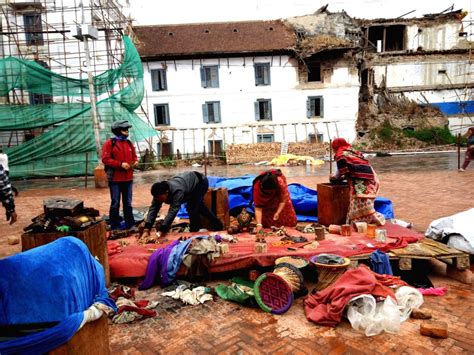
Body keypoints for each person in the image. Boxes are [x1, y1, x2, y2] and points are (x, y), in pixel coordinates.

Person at [141, 171, 223, 239]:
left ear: (166, 192)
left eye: (159, 198)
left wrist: (161, 231)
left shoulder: (177, 191)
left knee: (192, 207)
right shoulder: (158, 194)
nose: (158, 200)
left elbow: (173, 211)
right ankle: (218, 224)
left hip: (200, 182)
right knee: (200, 207)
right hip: (188, 184)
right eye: (156, 198)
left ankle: (194, 232)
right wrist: (146, 229)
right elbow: (153, 209)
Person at [331, 138, 385, 226]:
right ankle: (362, 223)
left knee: (360, 203)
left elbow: (341, 173)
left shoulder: (340, 154)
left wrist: (333, 177)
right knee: (364, 203)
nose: (333, 150)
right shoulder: (353, 151)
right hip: (371, 177)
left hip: (362, 180)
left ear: (335, 147)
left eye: (333, 148)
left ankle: (363, 223)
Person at [102, 120, 138, 231]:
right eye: (125, 129)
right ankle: (115, 226)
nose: (127, 131)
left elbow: (134, 157)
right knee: (115, 203)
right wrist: (120, 164)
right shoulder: (110, 143)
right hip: (115, 179)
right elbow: (105, 159)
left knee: (128, 203)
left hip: (128, 178)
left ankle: (130, 224)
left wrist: (135, 162)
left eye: (127, 129)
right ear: (118, 131)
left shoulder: (129, 143)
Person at [252, 169, 297, 233]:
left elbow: (283, 200)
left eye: (271, 192)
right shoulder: (257, 187)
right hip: (266, 205)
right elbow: (258, 207)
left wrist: (277, 212)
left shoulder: (280, 183)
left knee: (289, 222)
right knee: (265, 224)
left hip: (278, 199)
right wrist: (259, 225)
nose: (269, 194)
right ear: (262, 186)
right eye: (267, 192)